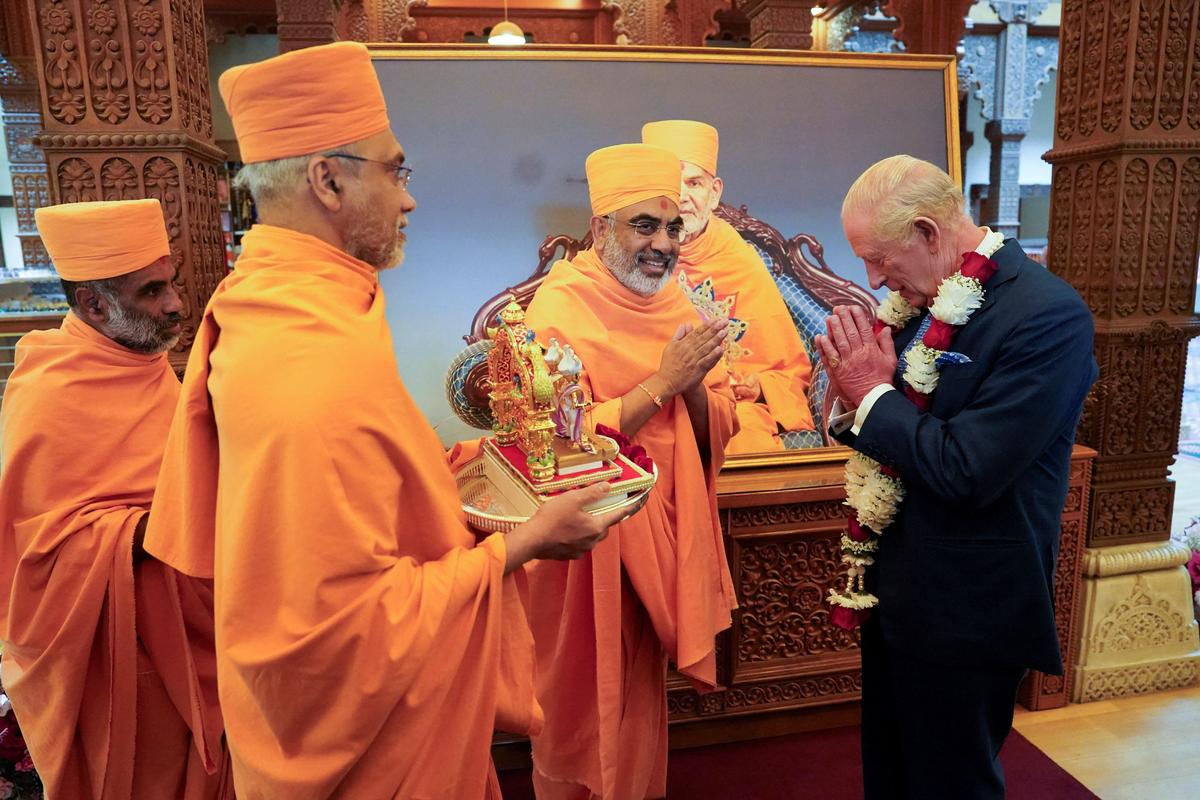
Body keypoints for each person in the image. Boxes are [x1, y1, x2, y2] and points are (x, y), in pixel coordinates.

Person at [143, 42, 621, 799]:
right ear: (327, 180)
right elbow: (340, 637)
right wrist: (528, 540)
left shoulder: (295, 301)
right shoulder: (302, 359)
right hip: (364, 755)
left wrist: (453, 469)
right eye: (395, 171)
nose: (409, 199)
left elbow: (354, 491)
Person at [814, 154, 1097, 800]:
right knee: (891, 775)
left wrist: (873, 397)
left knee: (951, 785)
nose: (873, 277)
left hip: (970, 606)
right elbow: (892, 417)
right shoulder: (921, 303)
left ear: (927, 233)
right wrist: (852, 398)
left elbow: (969, 468)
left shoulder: (1047, 316)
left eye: (880, 258)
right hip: (897, 597)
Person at [522, 143, 739, 799]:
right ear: (602, 230)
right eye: (645, 225)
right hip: (581, 543)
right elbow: (557, 443)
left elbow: (718, 422)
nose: (663, 244)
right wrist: (664, 381)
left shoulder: (680, 304)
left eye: (673, 227)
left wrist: (695, 386)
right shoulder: (561, 306)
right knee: (578, 698)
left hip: (659, 536)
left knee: (638, 700)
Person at [0, 199, 231, 799]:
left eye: (172, 282)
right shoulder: (50, 391)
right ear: (95, 304)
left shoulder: (144, 362)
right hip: (117, 646)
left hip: (194, 616)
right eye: (153, 291)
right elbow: (40, 553)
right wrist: (175, 517)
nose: (178, 303)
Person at [642, 119, 816, 452]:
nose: (682, 196)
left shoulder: (738, 258)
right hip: (656, 402)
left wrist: (759, 385)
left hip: (731, 407)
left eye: (694, 183)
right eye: (669, 183)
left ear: (714, 192)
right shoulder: (631, 254)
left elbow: (786, 368)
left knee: (744, 436)